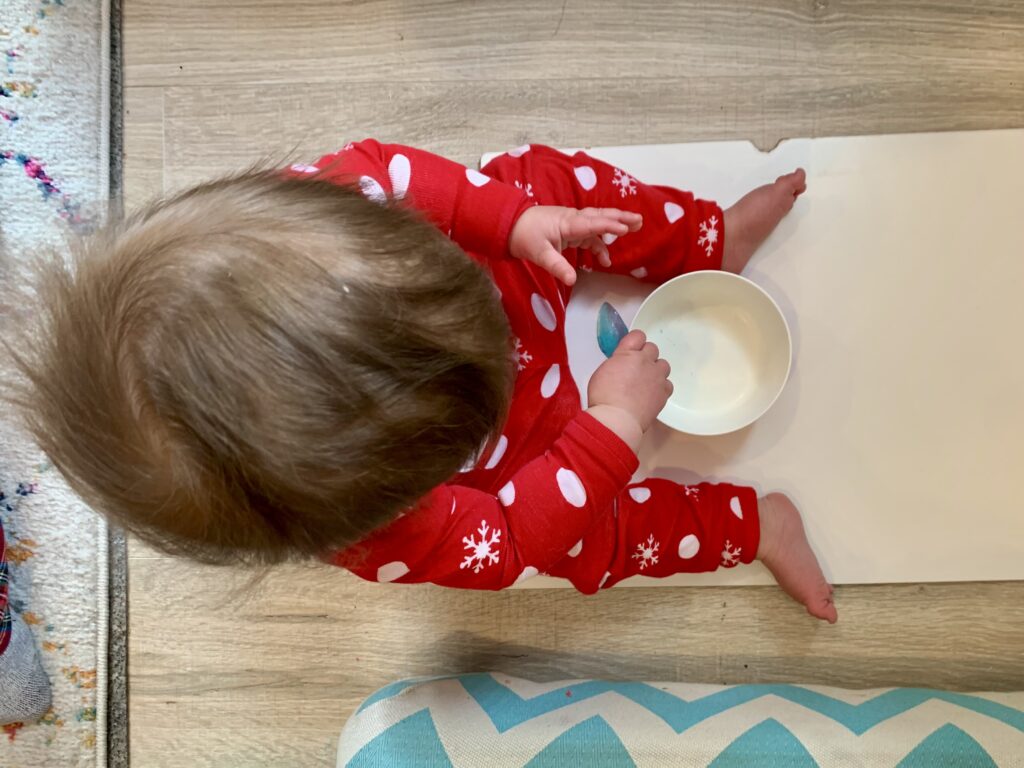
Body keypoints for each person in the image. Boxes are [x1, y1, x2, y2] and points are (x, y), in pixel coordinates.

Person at [17, 140, 836, 622]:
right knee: (592, 546)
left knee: (543, 181)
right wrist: (610, 431)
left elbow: (396, 172)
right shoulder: (379, 535)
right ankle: (751, 526)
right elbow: (516, 543)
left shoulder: (321, 206)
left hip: (526, 265)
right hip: (534, 459)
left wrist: (512, 225)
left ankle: (708, 236)